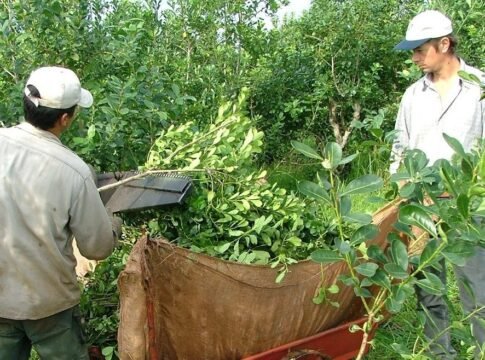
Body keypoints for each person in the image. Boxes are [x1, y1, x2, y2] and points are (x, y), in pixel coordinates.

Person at [0, 66, 122, 359]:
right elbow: (97, 247)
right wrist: (113, 225)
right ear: (65, 118)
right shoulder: (74, 172)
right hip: (50, 306)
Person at [390, 10, 485, 359]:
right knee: (428, 288)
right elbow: (399, 148)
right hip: (422, 207)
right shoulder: (412, 95)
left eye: (420, 49)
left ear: (444, 44)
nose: (414, 57)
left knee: (477, 288)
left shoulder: (479, 87)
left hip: (466, 208)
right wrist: (403, 191)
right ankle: (440, 355)